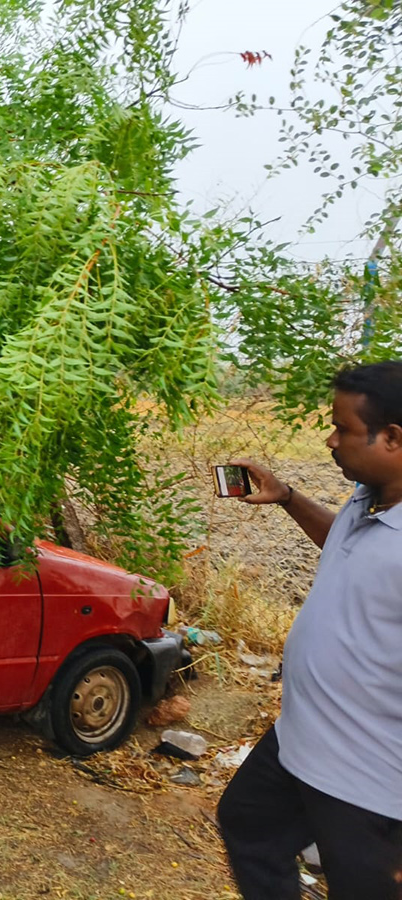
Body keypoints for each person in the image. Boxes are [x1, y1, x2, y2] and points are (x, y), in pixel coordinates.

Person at [217, 361, 402, 900]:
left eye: (342, 428)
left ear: (391, 437)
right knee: (248, 824)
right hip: (300, 740)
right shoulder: (371, 497)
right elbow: (354, 555)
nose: (330, 439)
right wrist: (290, 499)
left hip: (364, 776)